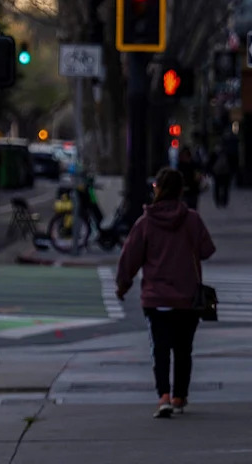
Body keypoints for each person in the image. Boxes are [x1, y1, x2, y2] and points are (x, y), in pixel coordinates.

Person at [115, 167, 215, 418]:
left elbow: (130, 258)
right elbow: (206, 250)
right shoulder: (192, 219)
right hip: (187, 297)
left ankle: (164, 397)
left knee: (160, 349)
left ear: (157, 189)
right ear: (181, 191)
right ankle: (180, 396)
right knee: (183, 349)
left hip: (156, 297)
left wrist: (123, 285)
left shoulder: (145, 222)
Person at [211, 144, 233, 208]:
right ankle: (224, 202)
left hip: (218, 173)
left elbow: (210, 163)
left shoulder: (215, 154)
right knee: (225, 188)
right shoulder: (227, 153)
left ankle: (218, 201)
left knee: (217, 188)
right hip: (225, 173)